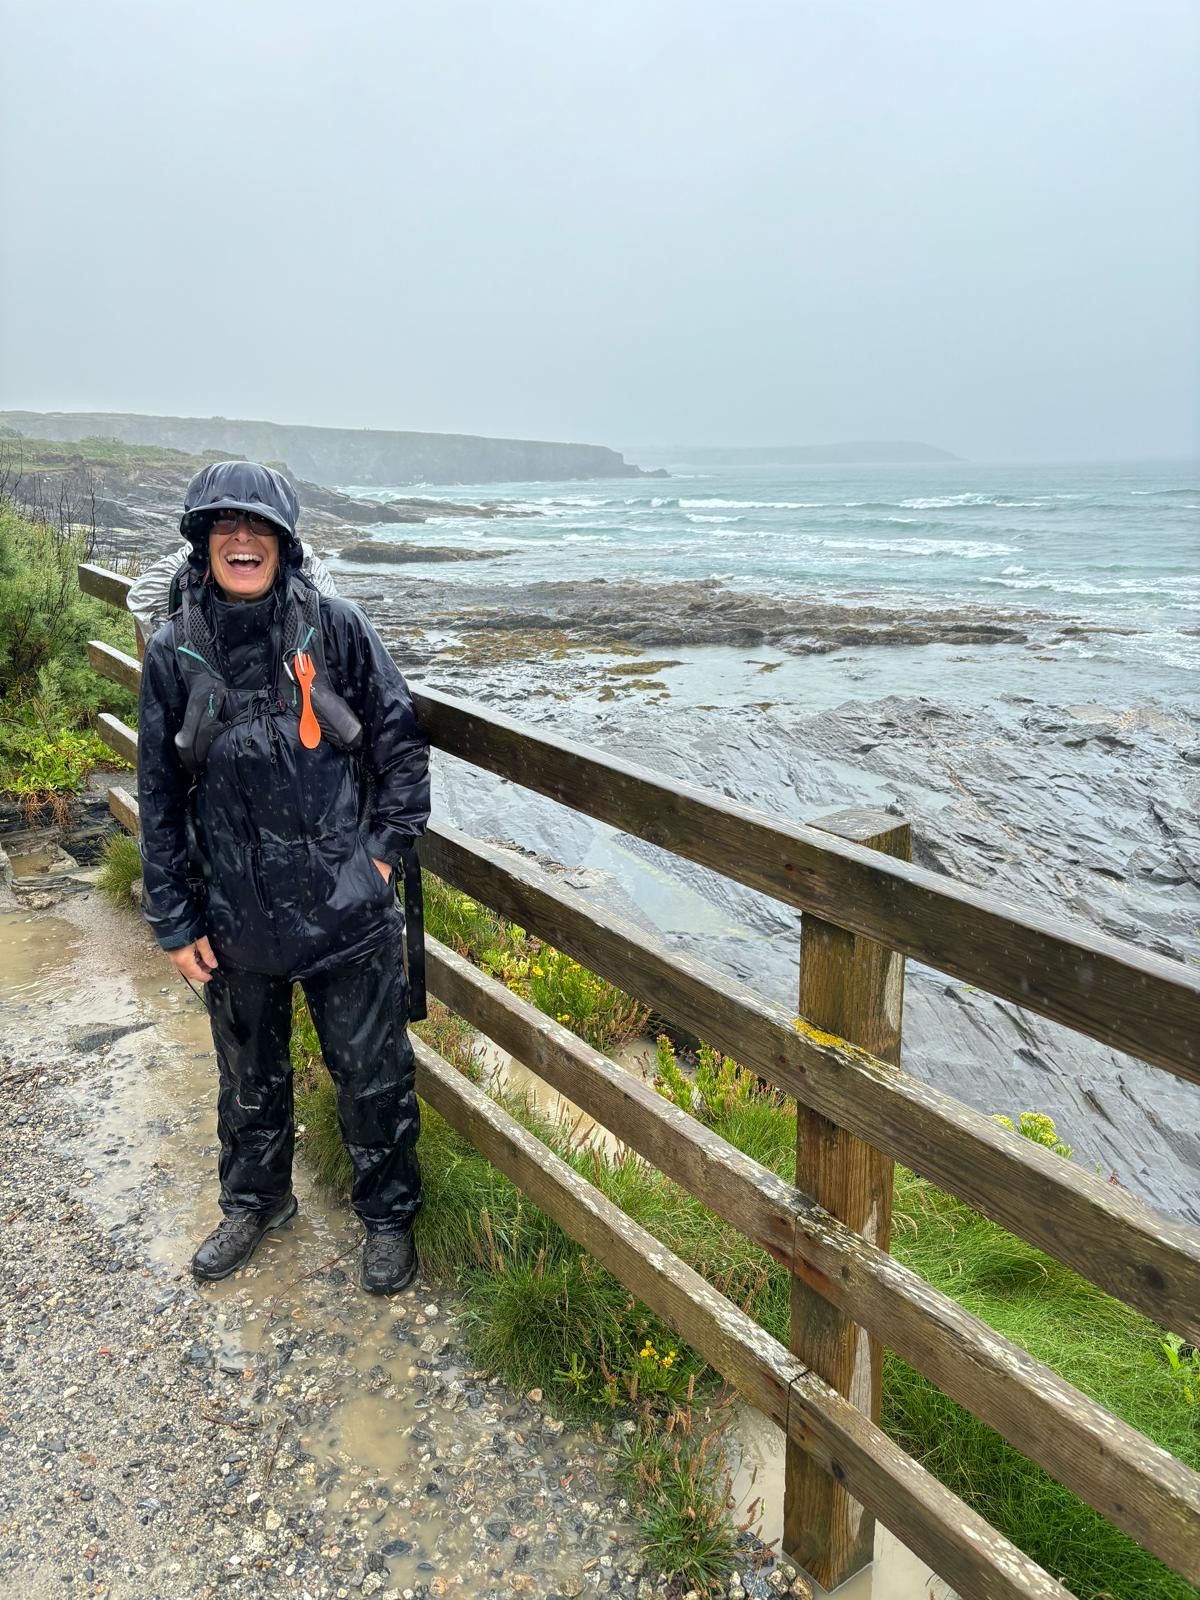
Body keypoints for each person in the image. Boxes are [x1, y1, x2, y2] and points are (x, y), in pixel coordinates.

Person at [136, 460, 430, 1294]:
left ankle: (387, 1219)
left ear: (285, 544)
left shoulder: (338, 630)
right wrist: (175, 919)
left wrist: (376, 861)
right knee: (248, 1081)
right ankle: (255, 1203)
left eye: (259, 526)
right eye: (224, 525)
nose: (242, 538)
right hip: (234, 919)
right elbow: (158, 793)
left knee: (374, 1079)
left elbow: (400, 751)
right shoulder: (172, 651)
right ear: (201, 542)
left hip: (347, 913)